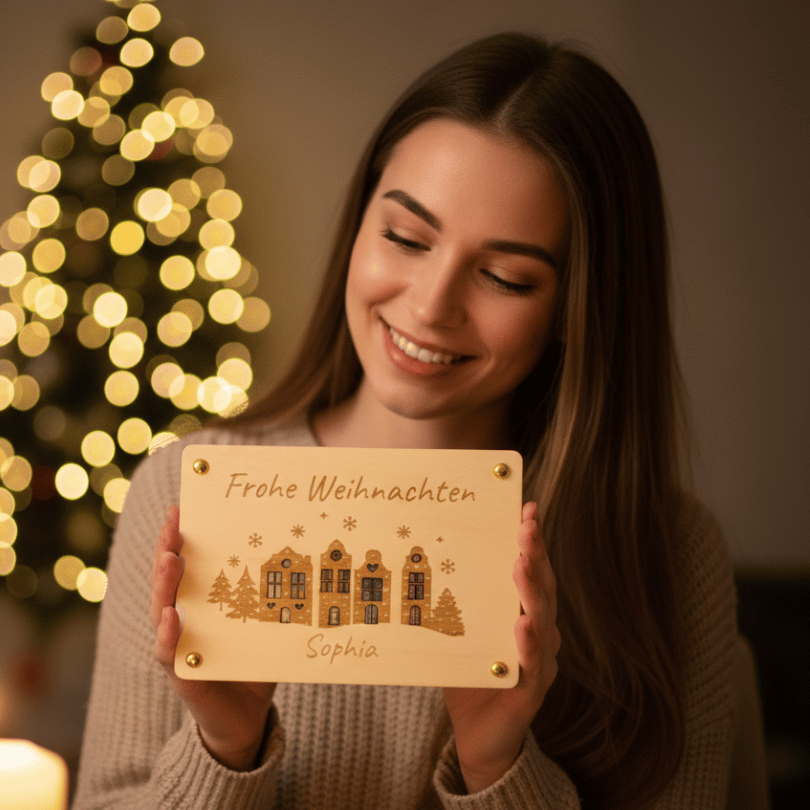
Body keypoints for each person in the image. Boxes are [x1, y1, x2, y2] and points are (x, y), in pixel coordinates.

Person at [72, 32, 738, 809]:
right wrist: (225, 750)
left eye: (504, 277)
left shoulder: (667, 554)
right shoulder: (182, 494)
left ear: (577, 309)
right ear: (359, 224)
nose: (428, 306)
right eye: (405, 237)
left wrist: (498, 766)